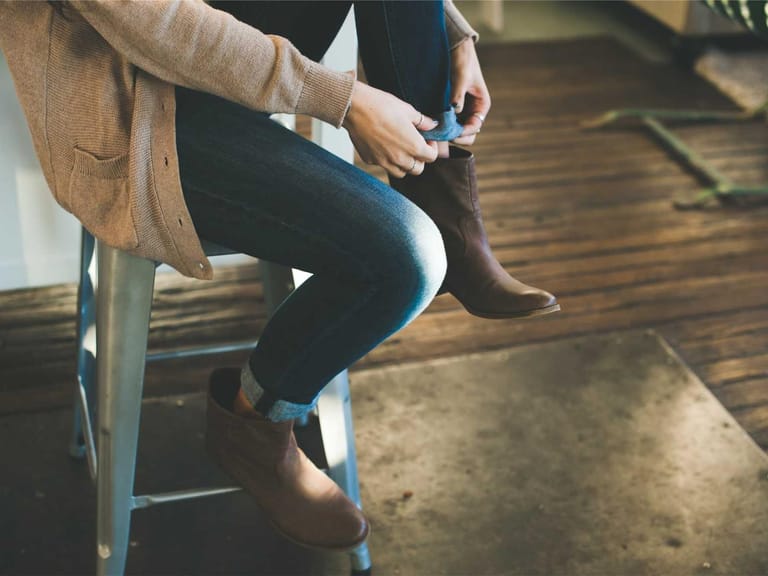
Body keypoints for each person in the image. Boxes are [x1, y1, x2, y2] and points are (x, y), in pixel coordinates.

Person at [0, 0, 558, 552]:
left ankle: (444, 201)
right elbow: (157, 22)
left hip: (225, 70)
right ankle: (255, 426)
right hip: (135, 112)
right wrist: (343, 101)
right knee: (406, 259)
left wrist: (449, 35)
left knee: (419, 247)